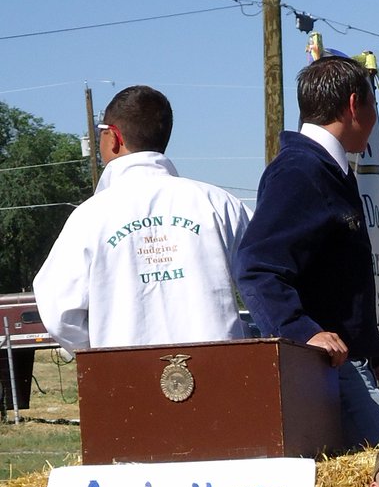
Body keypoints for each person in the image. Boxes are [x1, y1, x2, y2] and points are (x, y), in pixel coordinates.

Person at [233, 56, 379, 449]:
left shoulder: (325, 169)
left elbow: (332, 282)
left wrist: (374, 348)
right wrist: (300, 331)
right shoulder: (299, 170)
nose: (374, 117)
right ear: (353, 105)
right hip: (325, 371)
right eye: (372, 107)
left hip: (344, 364)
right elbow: (256, 266)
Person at [33, 85, 249, 351]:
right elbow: (268, 280)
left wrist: (97, 350)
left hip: (124, 378)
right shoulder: (220, 205)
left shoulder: (88, 218)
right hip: (222, 372)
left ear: (113, 137)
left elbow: (59, 310)